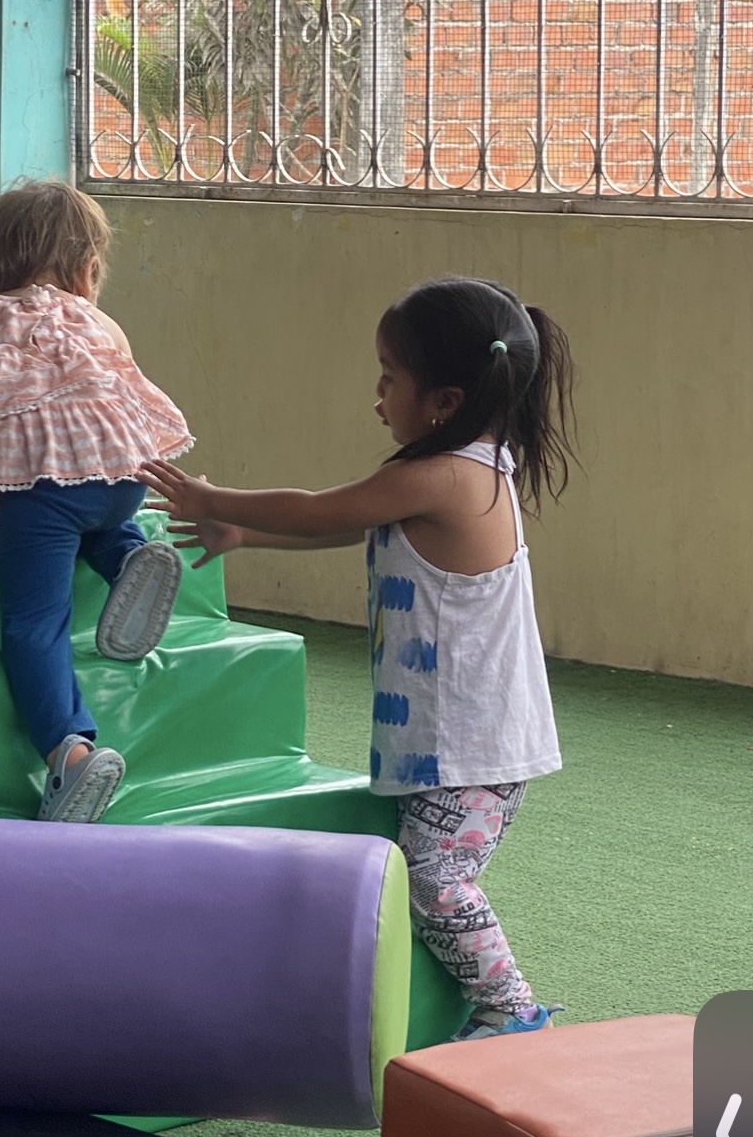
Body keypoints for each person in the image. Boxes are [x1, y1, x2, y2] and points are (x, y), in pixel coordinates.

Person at [139, 276, 577, 1041]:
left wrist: (215, 500)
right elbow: (351, 524)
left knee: (436, 881)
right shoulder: (462, 469)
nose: (377, 394)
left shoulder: (447, 476)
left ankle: (511, 1007)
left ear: (443, 400)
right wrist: (247, 537)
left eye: (389, 376)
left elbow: (319, 509)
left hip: (474, 744)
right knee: (423, 872)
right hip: (451, 738)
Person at [0, 181, 192, 823]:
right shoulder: (101, 324)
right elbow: (121, 406)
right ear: (88, 269)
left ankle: (69, 752)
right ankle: (129, 558)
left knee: (34, 625)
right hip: (123, 477)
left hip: (38, 491)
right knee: (93, 509)